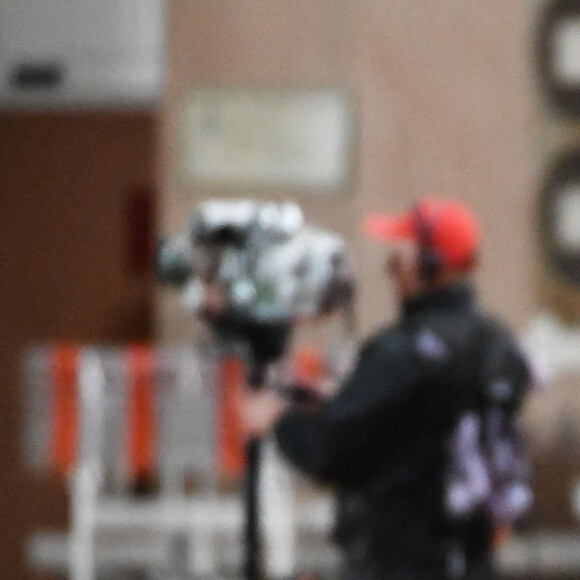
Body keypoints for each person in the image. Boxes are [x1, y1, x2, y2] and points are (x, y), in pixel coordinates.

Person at [242, 197, 531, 580]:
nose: (391, 268)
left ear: (429, 265)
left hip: (394, 561)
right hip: (471, 561)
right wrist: (335, 400)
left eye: (400, 257)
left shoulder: (402, 352)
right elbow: (425, 424)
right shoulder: (498, 344)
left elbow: (327, 448)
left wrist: (278, 421)